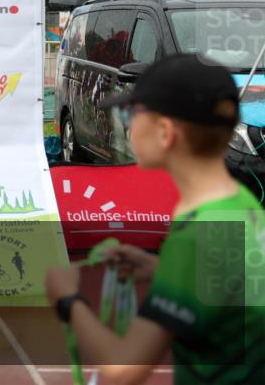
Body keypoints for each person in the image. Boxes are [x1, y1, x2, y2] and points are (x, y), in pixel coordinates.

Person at [46, 54, 264, 384]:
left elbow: (123, 370)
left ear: (165, 132)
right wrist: (158, 268)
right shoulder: (238, 204)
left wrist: (67, 300)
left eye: (132, 114)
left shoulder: (196, 234)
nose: (128, 125)